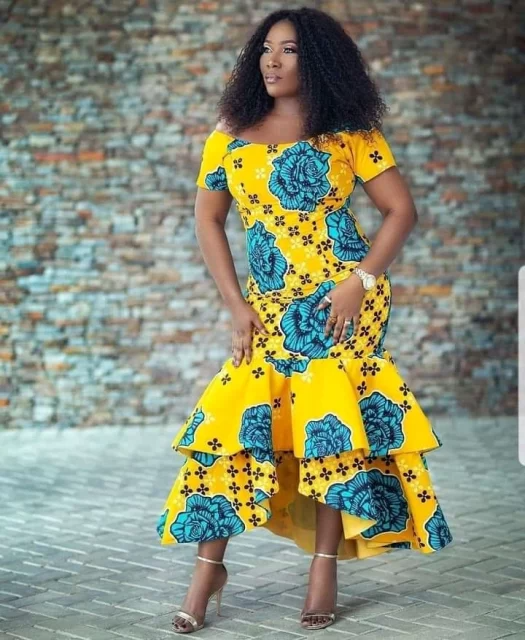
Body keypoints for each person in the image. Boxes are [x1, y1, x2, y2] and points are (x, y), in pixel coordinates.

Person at [156, 6, 453, 634]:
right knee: (234, 427)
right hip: (267, 306)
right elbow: (208, 220)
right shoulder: (229, 134)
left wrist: (359, 282)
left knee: (331, 429)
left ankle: (324, 567)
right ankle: (208, 568)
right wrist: (236, 305)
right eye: (266, 48)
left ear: (315, 60)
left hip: (342, 302)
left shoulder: (348, 131)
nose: (271, 60)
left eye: (288, 50)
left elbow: (400, 211)